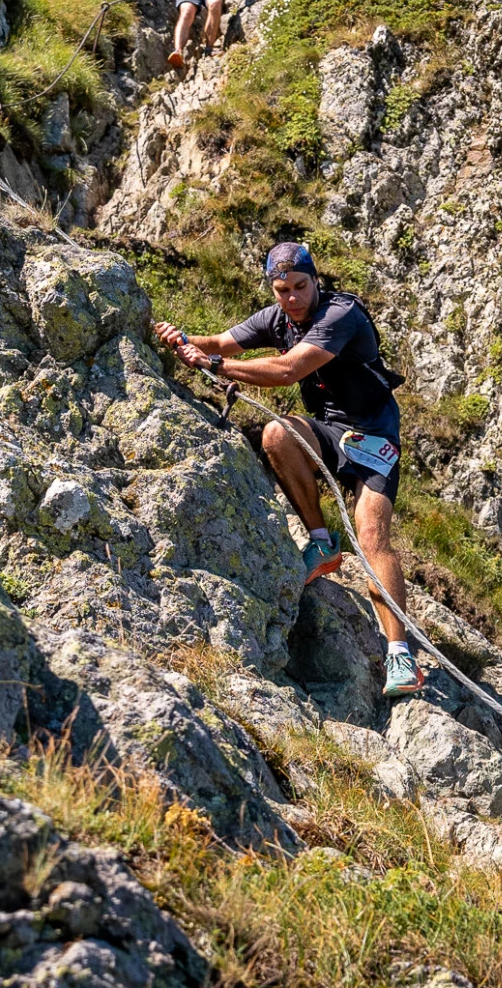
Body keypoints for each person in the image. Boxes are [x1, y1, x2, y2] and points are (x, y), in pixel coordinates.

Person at [152, 242, 424, 698]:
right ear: (274, 289)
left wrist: (215, 365)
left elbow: (286, 371)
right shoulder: (277, 318)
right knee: (277, 434)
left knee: (373, 536)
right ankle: (322, 544)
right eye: (283, 290)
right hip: (328, 427)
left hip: (374, 436)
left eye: (301, 286)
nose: (293, 297)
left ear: (316, 281)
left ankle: (400, 654)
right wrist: (181, 341)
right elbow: (219, 342)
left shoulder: (340, 315)